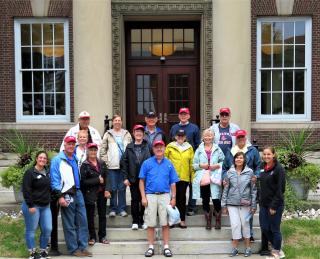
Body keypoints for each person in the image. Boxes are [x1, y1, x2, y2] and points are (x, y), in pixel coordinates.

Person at [50, 136, 91, 257]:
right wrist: (60, 196)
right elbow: (54, 180)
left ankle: (82, 247)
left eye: (73, 144)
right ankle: (74, 249)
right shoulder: (57, 160)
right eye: (69, 144)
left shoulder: (75, 158)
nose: (71, 146)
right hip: (66, 193)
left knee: (83, 221)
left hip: (78, 192)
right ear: (65, 145)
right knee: (69, 223)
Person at [139, 140, 179, 257]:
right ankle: (151, 247)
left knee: (165, 223)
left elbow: (173, 183)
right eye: (156, 147)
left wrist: (173, 198)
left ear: (164, 148)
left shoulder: (169, 163)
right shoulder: (147, 163)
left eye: (161, 147)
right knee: (150, 223)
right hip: (150, 195)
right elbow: (141, 181)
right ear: (153, 149)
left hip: (165, 195)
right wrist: (143, 197)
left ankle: (166, 247)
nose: (159, 149)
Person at [222, 129, 261, 241]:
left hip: (247, 186)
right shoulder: (231, 151)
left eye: (242, 137)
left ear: (245, 137)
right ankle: (237, 235)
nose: (240, 139)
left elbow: (258, 166)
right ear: (236, 139)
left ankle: (249, 234)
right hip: (233, 187)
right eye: (238, 137)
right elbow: (224, 168)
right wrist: (225, 178)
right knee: (235, 216)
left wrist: (256, 176)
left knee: (248, 210)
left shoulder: (252, 150)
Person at [221, 151, 257, 257]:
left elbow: (253, 190)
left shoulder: (250, 172)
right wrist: (224, 205)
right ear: (234, 160)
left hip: (246, 204)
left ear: (244, 160)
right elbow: (225, 189)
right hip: (232, 204)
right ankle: (235, 249)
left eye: (241, 158)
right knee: (235, 226)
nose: (238, 159)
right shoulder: (229, 172)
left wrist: (254, 205)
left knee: (245, 226)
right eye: (237, 158)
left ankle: (248, 248)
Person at [169, 107, 200, 216]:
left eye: (185, 114)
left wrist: (194, 158)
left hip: (190, 159)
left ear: (189, 115)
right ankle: (175, 209)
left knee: (192, 184)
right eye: (181, 114)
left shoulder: (194, 128)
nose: (183, 116)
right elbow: (170, 144)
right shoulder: (174, 128)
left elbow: (197, 144)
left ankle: (191, 207)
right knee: (177, 189)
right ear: (179, 115)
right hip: (177, 163)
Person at [192, 129, 225, 230]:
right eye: (206, 135)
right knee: (205, 198)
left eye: (210, 136)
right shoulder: (199, 149)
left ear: (213, 137)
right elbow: (194, 165)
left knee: (216, 198)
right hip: (203, 176)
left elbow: (223, 161)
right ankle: (208, 221)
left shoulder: (217, 148)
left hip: (214, 175)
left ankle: (218, 220)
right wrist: (201, 165)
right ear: (203, 137)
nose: (208, 137)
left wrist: (216, 166)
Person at [22, 151, 52, 259]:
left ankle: (43, 251)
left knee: (47, 228)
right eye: (40, 157)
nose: (42, 160)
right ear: (36, 159)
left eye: (44, 158)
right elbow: (26, 190)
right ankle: (32, 253)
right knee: (31, 229)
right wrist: (30, 205)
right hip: (33, 206)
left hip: (45, 206)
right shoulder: (30, 173)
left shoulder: (47, 172)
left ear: (46, 160)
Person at [100, 114, 132, 217]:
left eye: (119, 120)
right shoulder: (108, 134)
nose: (117, 122)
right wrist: (106, 162)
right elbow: (103, 150)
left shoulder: (127, 134)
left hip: (123, 166)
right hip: (112, 166)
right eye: (115, 120)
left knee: (122, 188)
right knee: (113, 188)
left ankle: (122, 209)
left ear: (121, 122)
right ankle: (113, 209)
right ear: (112, 122)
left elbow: (130, 149)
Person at [80, 143, 111, 245]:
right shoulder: (84, 165)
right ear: (87, 151)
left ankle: (102, 237)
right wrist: (97, 180)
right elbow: (83, 182)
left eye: (94, 150)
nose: (93, 152)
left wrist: (107, 189)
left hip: (102, 193)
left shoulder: (101, 163)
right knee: (90, 216)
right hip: (90, 193)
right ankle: (92, 237)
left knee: (102, 215)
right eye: (91, 150)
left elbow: (107, 177)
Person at [121, 124, 151, 230]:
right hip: (133, 178)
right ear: (133, 134)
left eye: (140, 132)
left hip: (145, 179)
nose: (138, 133)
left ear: (143, 134)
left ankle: (143, 220)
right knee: (135, 200)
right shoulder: (129, 147)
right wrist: (125, 177)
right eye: (136, 132)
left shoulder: (148, 146)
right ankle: (135, 221)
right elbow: (124, 163)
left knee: (144, 200)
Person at [259, 147, 286, 259]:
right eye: (264, 154)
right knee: (264, 227)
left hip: (275, 205)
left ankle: (276, 251)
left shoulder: (279, 169)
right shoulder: (262, 167)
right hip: (263, 204)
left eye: (269, 154)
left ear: (274, 155)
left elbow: (281, 189)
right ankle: (277, 246)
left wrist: (274, 206)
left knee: (275, 229)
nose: (266, 156)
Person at [165, 129, 194, 228]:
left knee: (181, 199)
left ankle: (182, 220)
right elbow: (165, 161)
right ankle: (172, 220)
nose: (180, 137)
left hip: (184, 177)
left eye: (182, 136)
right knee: (172, 198)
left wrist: (192, 177)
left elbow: (191, 164)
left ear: (185, 137)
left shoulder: (189, 148)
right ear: (175, 137)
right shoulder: (170, 147)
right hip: (172, 177)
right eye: (179, 136)